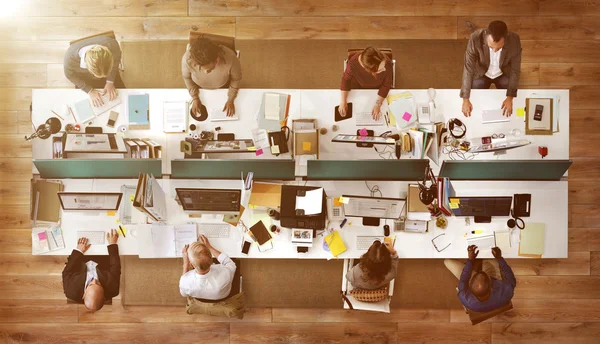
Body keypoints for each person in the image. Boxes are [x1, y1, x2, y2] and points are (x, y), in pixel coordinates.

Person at [460, 20, 522, 117]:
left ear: (506, 38)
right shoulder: (475, 38)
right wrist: (465, 99)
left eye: (499, 48)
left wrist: (509, 98)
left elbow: (515, 70)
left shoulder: (514, 40)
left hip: (503, 72)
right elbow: (468, 68)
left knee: (512, 103)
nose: (495, 50)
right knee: (474, 99)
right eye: (491, 47)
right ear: (486, 35)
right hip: (482, 72)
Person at [62, 229, 121, 312]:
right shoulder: (113, 290)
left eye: (90, 285)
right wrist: (112, 244)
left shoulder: (71, 291)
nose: (94, 280)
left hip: (80, 256)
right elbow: (115, 267)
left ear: (84, 295)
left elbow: (66, 272)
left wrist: (79, 251)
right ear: (104, 295)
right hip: (102, 255)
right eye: (99, 284)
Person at [444, 245, 516, 313]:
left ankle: (476, 263)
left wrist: (470, 260)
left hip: (480, 283)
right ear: (491, 287)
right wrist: (499, 258)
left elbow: (464, 278)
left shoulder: (464, 296)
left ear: (469, 285)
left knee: (447, 261)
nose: (481, 272)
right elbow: (509, 274)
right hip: (493, 278)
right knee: (489, 250)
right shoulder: (507, 292)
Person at [182, 38, 242, 117]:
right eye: (201, 68)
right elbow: (186, 78)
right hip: (198, 88)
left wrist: (230, 99)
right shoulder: (187, 59)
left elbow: (236, 79)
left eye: (210, 69)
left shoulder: (231, 58)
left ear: (217, 60)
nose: (206, 72)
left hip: (223, 86)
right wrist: (195, 98)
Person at [64, 35, 124, 107]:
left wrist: (110, 81)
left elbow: (116, 61)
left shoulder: (113, 45)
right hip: (85, 79)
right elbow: (69, 75)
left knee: (123, 99)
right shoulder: (70, 59)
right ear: (88, 68)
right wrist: (89, 91)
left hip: (111, 73)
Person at [339, 47, 393, 120]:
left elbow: (387, 84)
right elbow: (346, 79)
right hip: (361, 86)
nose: (385, 69)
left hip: (379, 87)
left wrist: (378, 105)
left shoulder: (387, 62)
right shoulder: (352, 64)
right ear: (368, 70)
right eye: (380, 70)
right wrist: (343, 101)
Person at [179, 234, 236, 300]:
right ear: (212, 260)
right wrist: (209, 247)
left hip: (201, 301)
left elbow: (183, 294)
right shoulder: (224, 274)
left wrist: (185, 263)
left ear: (191, 265)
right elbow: (230, 264)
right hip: (223, 296)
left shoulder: (185, 283)